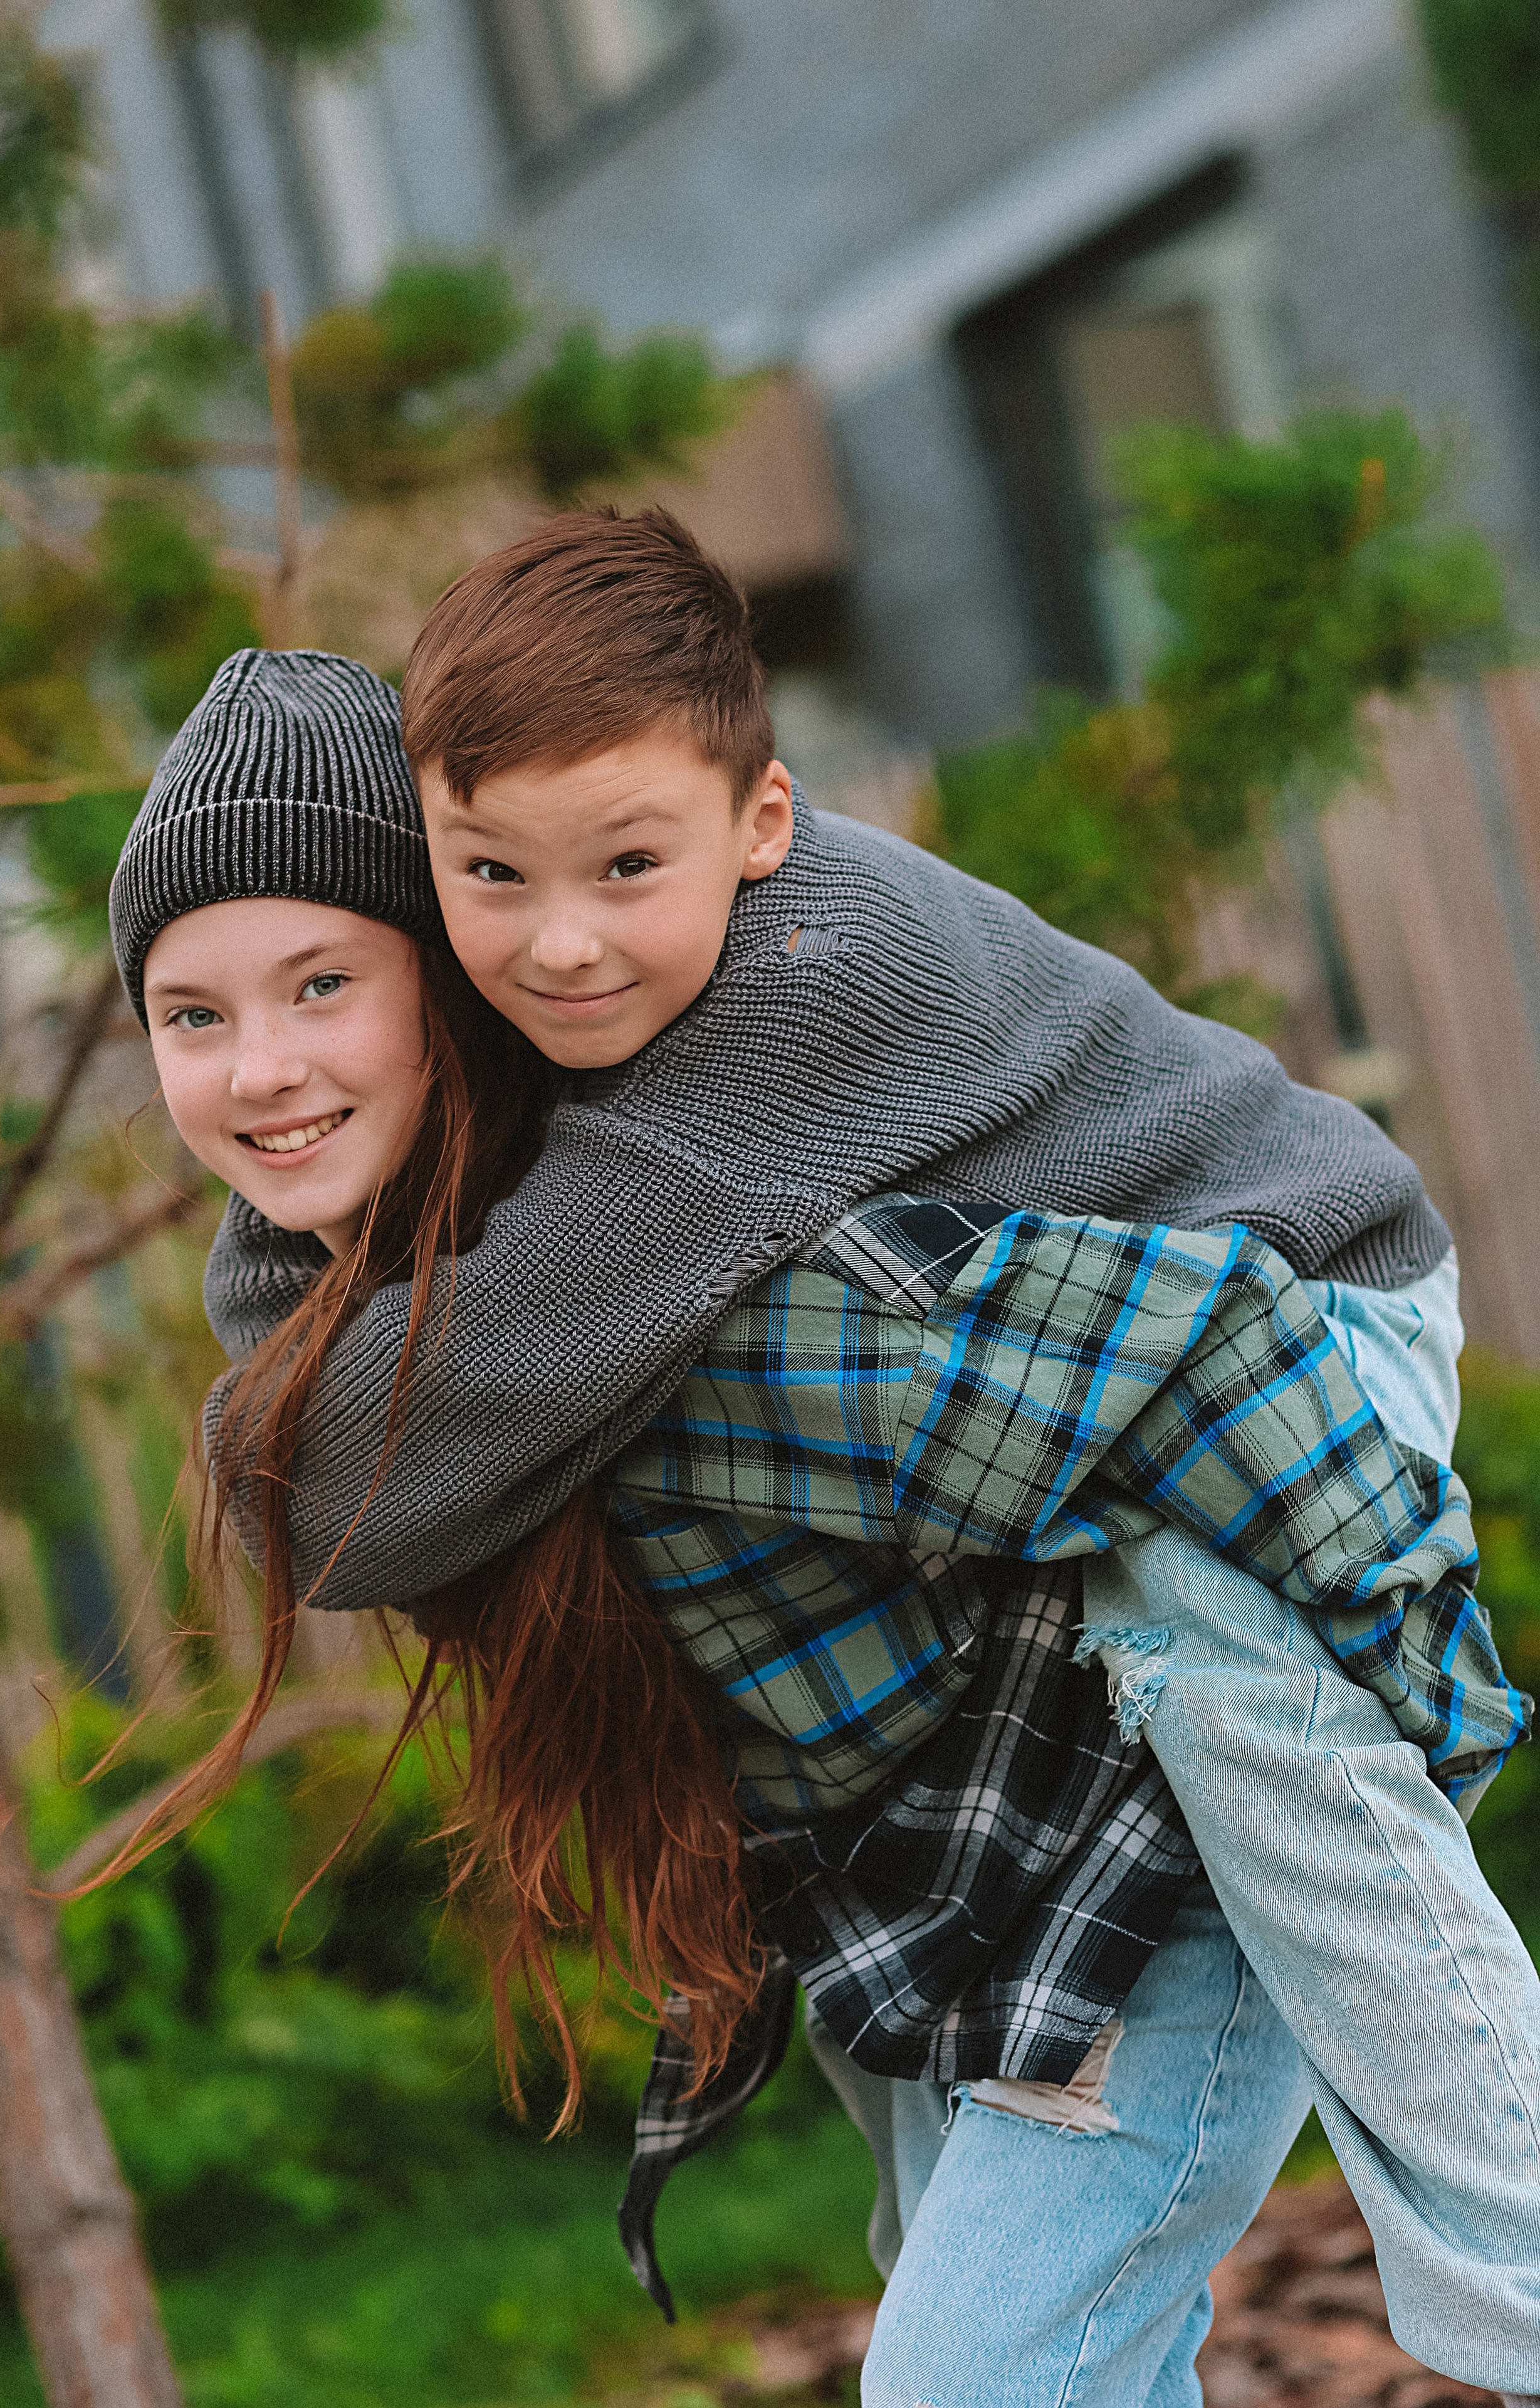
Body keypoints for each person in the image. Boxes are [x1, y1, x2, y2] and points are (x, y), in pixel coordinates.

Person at [110, 626, 1539, 2406]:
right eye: (192, 1014)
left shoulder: (733, 1240)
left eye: (322, 984)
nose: (257, 1069)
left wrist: (1389, 1667)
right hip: (1000, 1809)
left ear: (454, 973)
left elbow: (1214, 1382)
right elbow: (306, 1417)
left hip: (1248, 1517)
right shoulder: (480, 1276)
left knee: (986, 2377)